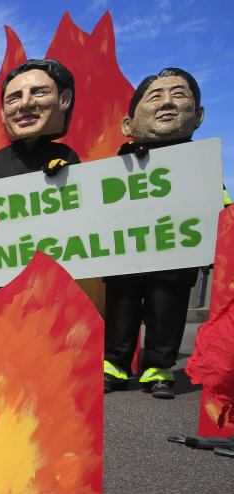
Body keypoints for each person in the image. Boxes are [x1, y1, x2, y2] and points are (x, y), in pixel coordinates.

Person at [103, 68, 206, 399]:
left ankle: (159, 369)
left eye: (178, 95)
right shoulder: (117, 165)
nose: (167, 104)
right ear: (128, 124)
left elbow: (219, 209)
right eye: (155, 96)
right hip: (124, 258)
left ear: (199, 115)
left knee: (168, 312)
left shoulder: (201, 164)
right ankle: (114, 367)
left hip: (176, 259)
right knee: (121, 310)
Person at [0, 58, 79, 182]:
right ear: (2, 113)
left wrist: (66, 176)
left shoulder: (64, 154)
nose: (25, 104)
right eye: (14, 99)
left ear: (64, 100)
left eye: (39, 93)